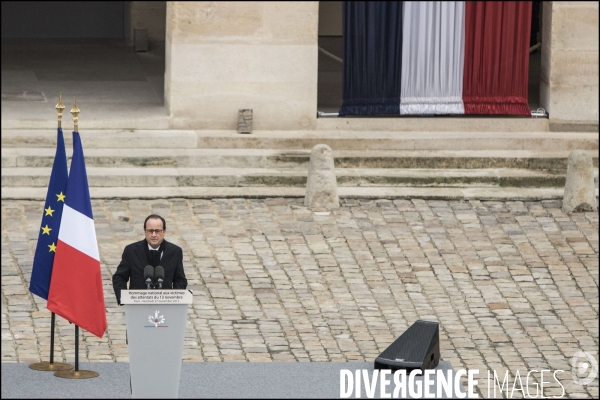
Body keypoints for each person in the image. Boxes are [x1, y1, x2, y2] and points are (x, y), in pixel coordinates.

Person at [112, 214, 187, 305]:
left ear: (164, 231)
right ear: (145, 231)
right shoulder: (131, 250)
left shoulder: (175, 251)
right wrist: (123, 298)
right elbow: (119, 277)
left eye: (158, 231)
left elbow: (180, 280)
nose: (154, 235)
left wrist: (175, 300)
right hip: (137, 306)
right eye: (150, 231)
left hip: (165, 306)